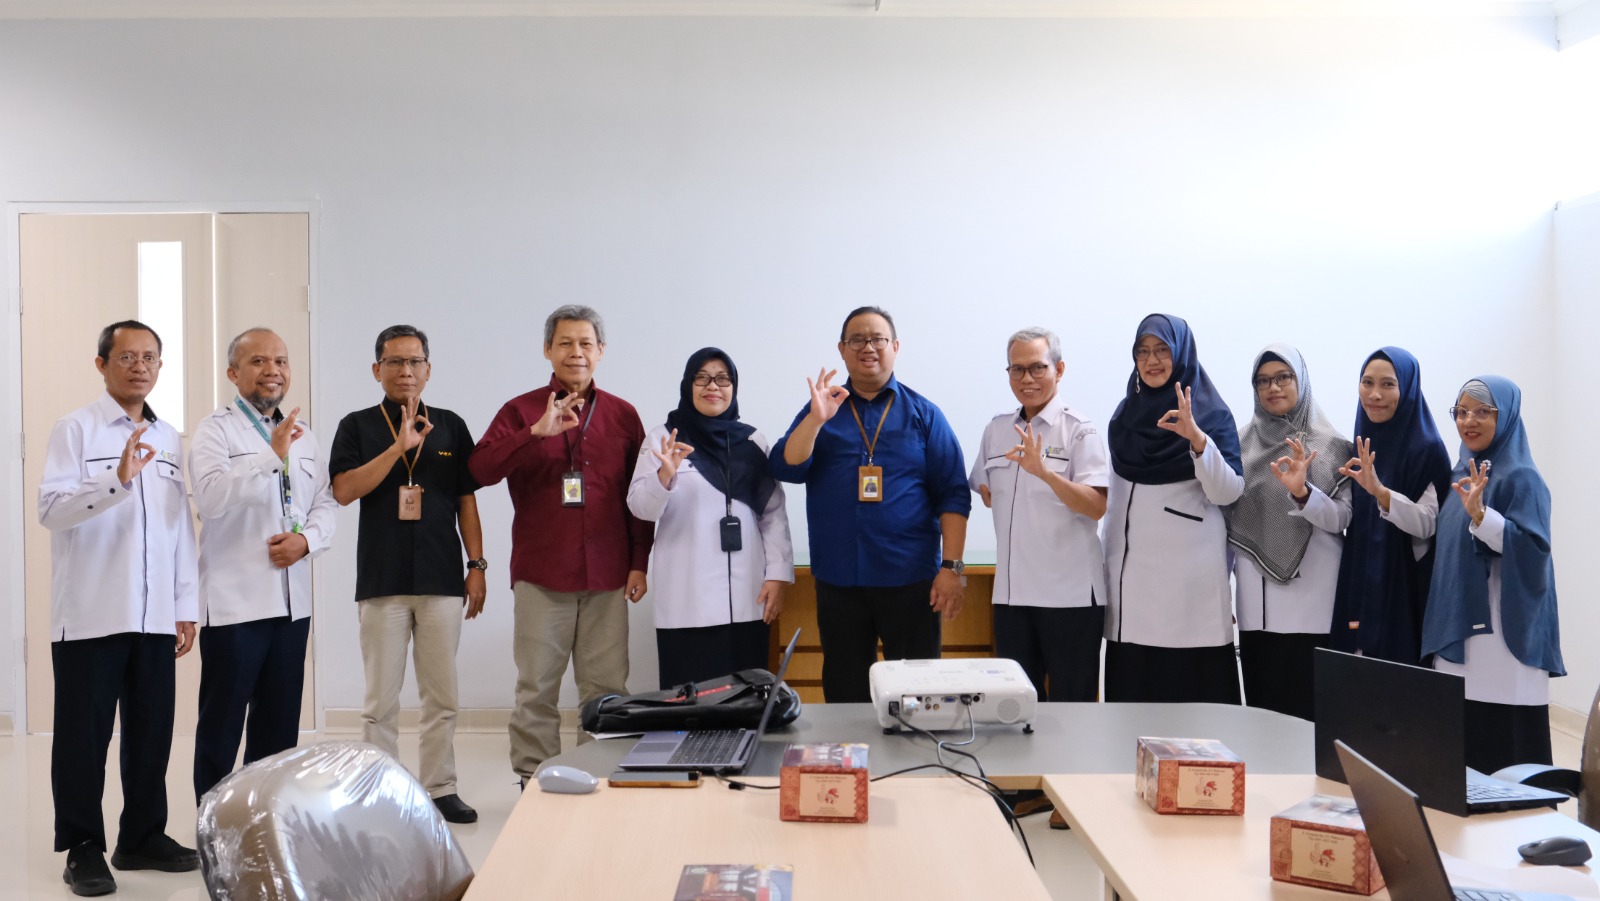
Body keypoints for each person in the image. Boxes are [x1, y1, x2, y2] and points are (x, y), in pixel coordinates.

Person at [38, 321, 200, 896]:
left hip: (154, 616)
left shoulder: (169, 436)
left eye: (149, 357)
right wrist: (117, 478)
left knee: (152, 732)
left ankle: (142, 836)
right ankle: (82, 846)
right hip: (91, 613)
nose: (139, 366)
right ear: (102, 364)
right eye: (126, 356)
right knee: (84, 738)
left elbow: (179, 527)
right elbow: (51, 510)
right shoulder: (75, 428)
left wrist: (184, 604)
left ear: (160, 367)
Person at [469, 305, 654, 785]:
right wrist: (534, 434)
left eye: (586, 343)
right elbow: (480, 470)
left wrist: (639, 562)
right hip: (542, 574)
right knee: (537, 688)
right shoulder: (520, 411)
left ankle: (598, 776)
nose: (576, 352)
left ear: (601, 351)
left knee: (606, 688)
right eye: (565, 343)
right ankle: (535, 781)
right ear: (547, 350)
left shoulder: (623, 415)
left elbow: (638, 497)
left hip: (607, 574)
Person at [770, 306, 970, 703]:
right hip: (840, 581)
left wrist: (952, 568)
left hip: (911, 580)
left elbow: (953, 495)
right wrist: (815, 420)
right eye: (857, 339)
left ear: (895, 347)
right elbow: (785, 466)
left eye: (878, 339)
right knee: (846, 694)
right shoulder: (822, 409)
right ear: (842, 349)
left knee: (917, 695)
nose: (868, 347)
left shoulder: (925, 414)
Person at [329, 325, 486, 824]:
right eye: (395, 362)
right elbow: (344, 491)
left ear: (429, 369)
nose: (406, 371)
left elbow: (466, 500)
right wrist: (398, 447)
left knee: (442, 695)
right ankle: (381, 790)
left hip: (442, 580)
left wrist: (476, 565)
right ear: (377, 369)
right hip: (382, 581)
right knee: (381, 700)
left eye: (415, 361)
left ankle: (441, 788)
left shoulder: (451, 425)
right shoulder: (357, 426)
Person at [189, 327, 337, 800]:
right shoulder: (215, 430)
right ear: (233, 373)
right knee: (222, 727)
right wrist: (269, 456)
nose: (273, 370)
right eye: (259, 361)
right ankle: (213, 823)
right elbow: (210, 500)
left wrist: (306, 542)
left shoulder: (306, 435)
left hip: (292, 607)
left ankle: (266, 819)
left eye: (281, 361)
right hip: (235, 606)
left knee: (278, 730)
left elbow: (325, 502)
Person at [627, 347, 794, 688]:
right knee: (688, 701)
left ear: (734, 386)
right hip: (687, 600)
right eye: (701, 378)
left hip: (748, 597)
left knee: (746, 696)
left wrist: (778, 576)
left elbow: (773, 513)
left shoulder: (752, 440)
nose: (712, 386)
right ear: (688, 385)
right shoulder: (664, 438)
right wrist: (664, 476)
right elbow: (640, 508)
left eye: (722, 379)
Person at [1422, 376, 1564, 774]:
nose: (1469, 420)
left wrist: (1483, 516)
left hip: (1503, 641)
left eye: (1483, 411)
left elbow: (1534, 553)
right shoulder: (1459, 475)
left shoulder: (1524, 478)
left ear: (1506, 416)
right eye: (1462, 411)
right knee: (1461, 754)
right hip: (1458, 633)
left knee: (1506, 756)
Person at [1102, 313, 1244, 704]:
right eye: (1143, 351)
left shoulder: (1211, 415)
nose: (1152, 360)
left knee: (1194, 715)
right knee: (1131, 714)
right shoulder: (1125, 416)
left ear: (1182, 353)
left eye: (1162, 350)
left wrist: (1197, 440)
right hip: (1131, 593)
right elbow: (1116, 502)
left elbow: (1229, 492)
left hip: (1188, 592)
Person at [969, 327, 1109, 702]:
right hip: (1012, 597)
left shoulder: (1080, 430)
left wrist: (1045, 474)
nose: (1026, 378)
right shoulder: (997, 429)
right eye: (1017, 369)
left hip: (1070, 598)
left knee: (1073, 708)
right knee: (1015, 708)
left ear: (1058, 370)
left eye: (1037, 368)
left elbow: (1097, 505)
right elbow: (987, 492)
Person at [1224, 344, 1353, 720]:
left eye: (1283, 377)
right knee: (1264, 721)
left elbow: (1343, 519)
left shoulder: (1334, 447)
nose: (1273, 387)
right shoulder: (1238, 446)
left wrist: (1304, 494)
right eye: (1263, 381)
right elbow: (1228, 525)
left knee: (1315, 721)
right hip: (1257, 612)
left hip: (1314, 607)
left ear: (1301, 381)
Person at [1327, 347, 1452, 667]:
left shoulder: (1428, 448)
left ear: (1407, 388)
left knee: (1398, 684)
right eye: (1367, 383)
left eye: (1388, 384)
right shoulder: (1362, 440)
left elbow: (1428, 524)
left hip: (1404, 586)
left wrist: (1381, 493)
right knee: (1353, 679)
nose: (1375, 394)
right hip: (1360, 576)